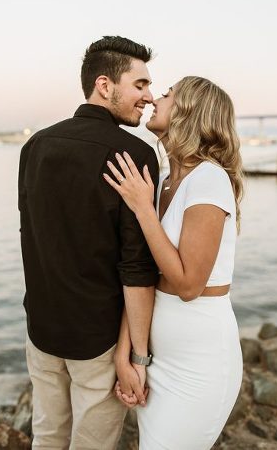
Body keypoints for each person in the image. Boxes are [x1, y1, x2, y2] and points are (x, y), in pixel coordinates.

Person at [18, 36, 159, 449]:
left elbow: (31, 234)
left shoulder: (35, 146)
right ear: (104, 84)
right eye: (140, 85)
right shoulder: (134, 154)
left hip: (41, 327)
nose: (148, 97)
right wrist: (137, 356)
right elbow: (137, 266)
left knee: (46, 436)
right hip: (97, 340)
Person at [103, 75, 244, 449]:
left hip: (200, 364)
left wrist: (142, 209)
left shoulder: (210, 180)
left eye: (167, 94)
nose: (155, 99)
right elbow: (139, 275)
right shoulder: (163, 180)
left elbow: (187, 285)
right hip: (157, 359)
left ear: (189, 111)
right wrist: (129, 357)